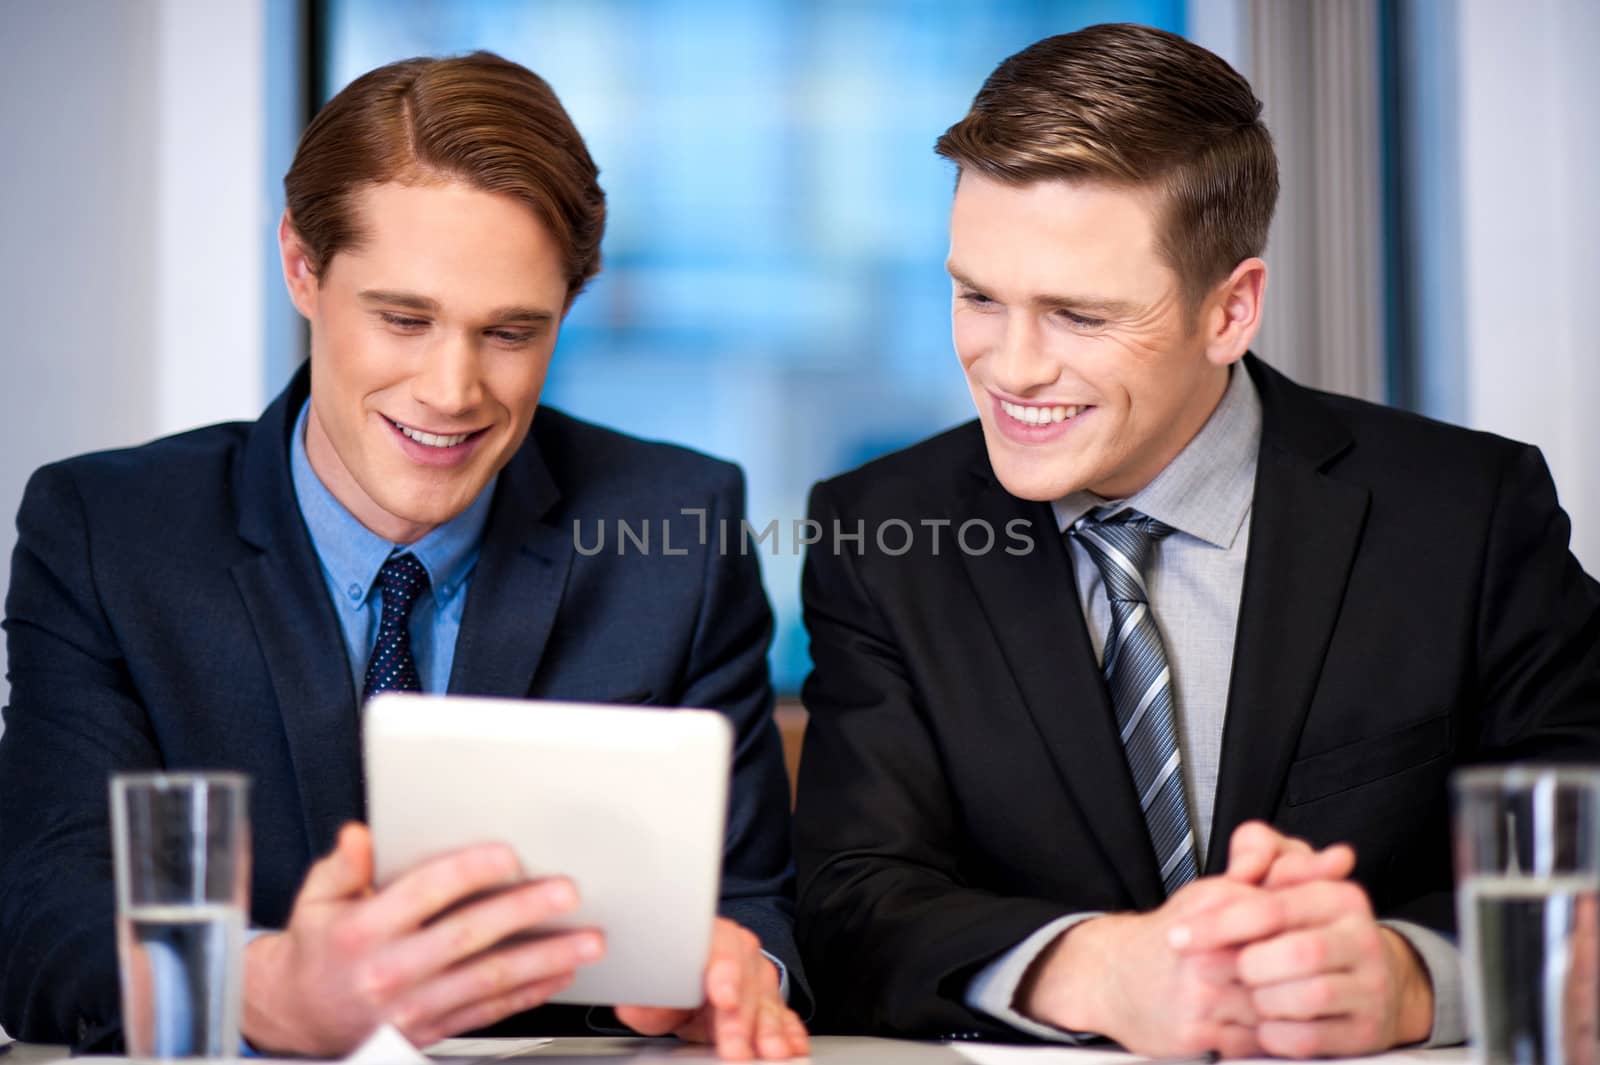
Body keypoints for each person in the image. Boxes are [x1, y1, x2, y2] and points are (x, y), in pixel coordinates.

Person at [792, 22, 1600, 1058]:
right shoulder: (879, 534)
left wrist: (1411, 978)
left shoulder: (1466, 512)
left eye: (1077, 316)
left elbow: (1580, 827)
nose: (1011, 367)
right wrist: (1097, 972)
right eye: (977, 297)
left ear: (1230, 311)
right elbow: (851, 902)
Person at [0, 51, 808, 1061]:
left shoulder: (677, 527)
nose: (452, 390)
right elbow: (43, 924)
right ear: (302, 266)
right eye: (404, 319)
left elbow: (750, 905)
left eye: (511, 332)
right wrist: (264, 989)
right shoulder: (108, 532)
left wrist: (728, 979)